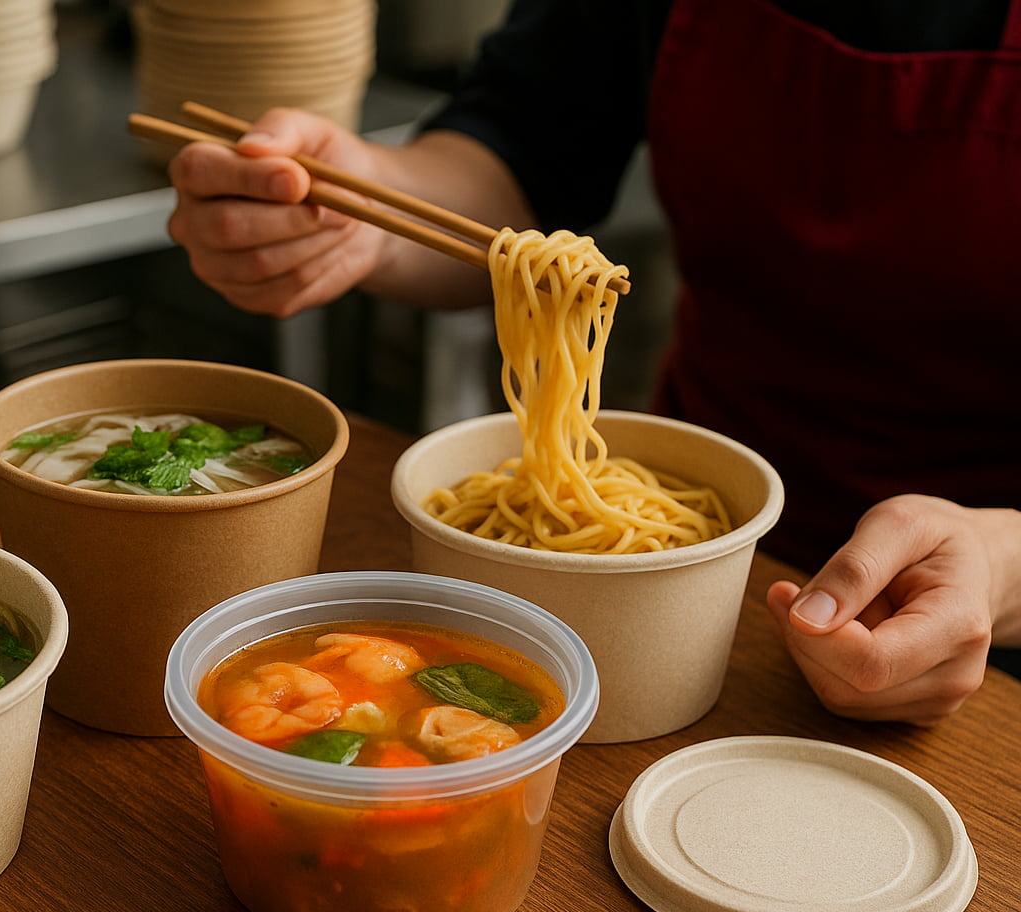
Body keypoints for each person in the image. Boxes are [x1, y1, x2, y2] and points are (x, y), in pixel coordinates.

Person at [160, 0, 1021, 726]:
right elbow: (518, 147)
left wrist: (1000, 566)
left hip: (981, 640)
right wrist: (359, 213)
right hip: (671, 575)